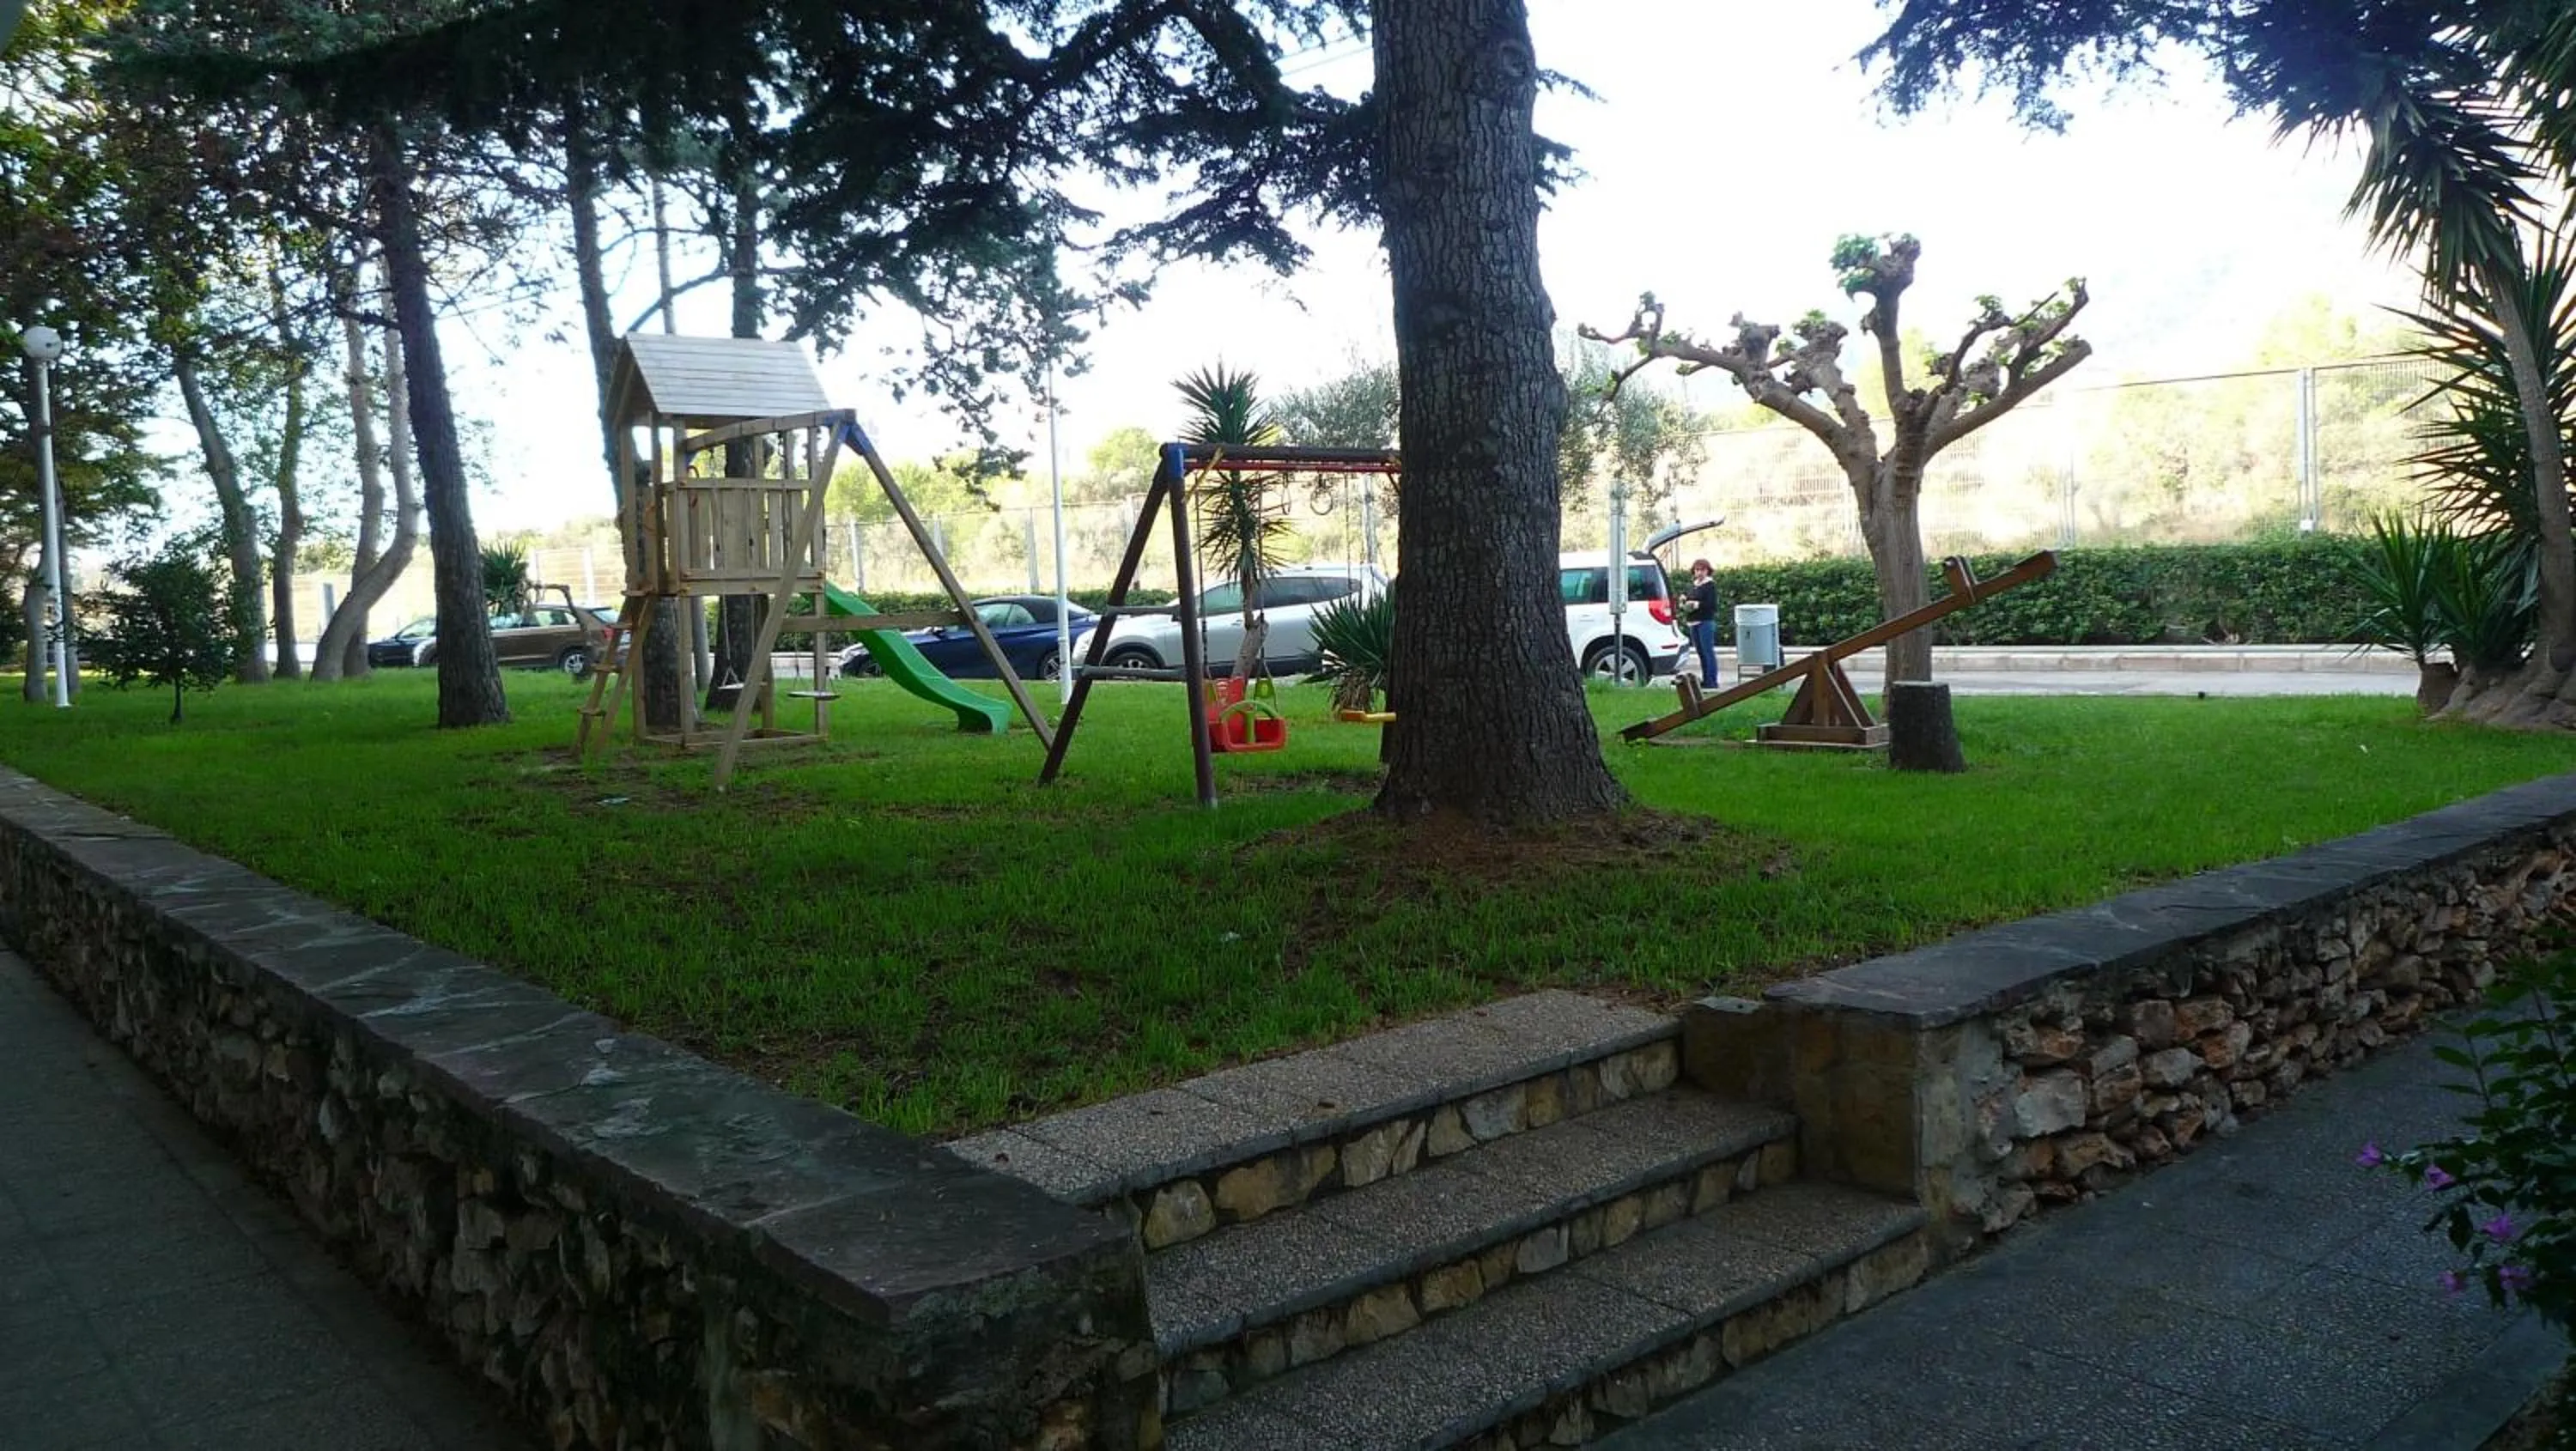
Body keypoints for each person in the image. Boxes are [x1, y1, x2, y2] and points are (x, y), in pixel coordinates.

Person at [1684, 558, 1720, 689]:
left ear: (1708, 571)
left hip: (1705, 622)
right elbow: (1688, 599)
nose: (1699, 573)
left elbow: (1712, 605)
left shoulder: (1710, 585)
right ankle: (1706, 680)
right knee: (1701, 653)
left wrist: (1697, 604)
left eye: (1702, 570)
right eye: (1697, 570)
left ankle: (1712, 681)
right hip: (1693, 622)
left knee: (1708, 652)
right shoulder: (1694, 585)